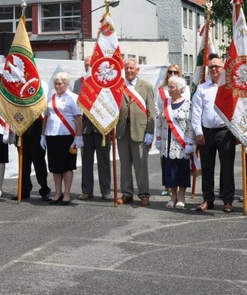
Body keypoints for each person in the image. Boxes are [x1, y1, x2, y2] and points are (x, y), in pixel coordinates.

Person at [191, 55, 237, 212]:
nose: (214, 69)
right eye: (211, 67)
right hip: (207, 132)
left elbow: (237, 110)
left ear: (223, 69)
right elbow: (196, 112)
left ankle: (227, 200)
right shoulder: (202, 88)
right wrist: (198, 132)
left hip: (225, 131)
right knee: (207, 166)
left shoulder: (229, 87)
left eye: (217, 66)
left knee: (227, 167)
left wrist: (237, 131)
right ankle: (208, 199)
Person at [116, 58, 156, 206]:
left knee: (141, 165)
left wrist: (150, 132)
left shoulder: (146, 87)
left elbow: (151, 111)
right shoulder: (118, 86)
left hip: (140, 129)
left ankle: (144, 194)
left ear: (137, 70)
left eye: (131, 68)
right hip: (122, 130)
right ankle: (126, 193)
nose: (128, 71)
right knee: (125, 164)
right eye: (126, 68)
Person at [41, 72, 83, 205]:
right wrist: (42, 135)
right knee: (55, 167)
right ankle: (57, 192)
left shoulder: (73, 97)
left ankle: (67, 193)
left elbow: (78, 118)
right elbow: (46, 117)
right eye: (55, 84)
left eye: (60, 84)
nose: (57, 86)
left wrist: (78, 136)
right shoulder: (51, 98)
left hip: (67, 136)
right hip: (52, 135)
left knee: (67, 166)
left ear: (66, 84)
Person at [74, 55, 111, 201]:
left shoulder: (104, 83)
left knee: (104, 161)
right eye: (86, 65)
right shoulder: (79, 83)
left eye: (91, 65)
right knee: (86, 161)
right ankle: (86, 190)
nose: (88, 67)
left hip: (102, 128)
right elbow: (76, 104)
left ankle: (106, 190)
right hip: (86, 128)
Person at [156, 76, 195, 209]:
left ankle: (182, 195)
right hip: (167, 144)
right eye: (169, 87)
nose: (169, 90)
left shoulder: (188, 104)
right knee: (169, 170)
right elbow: (159, 121)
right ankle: (173, 195)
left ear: (179, 89)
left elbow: (190, 124)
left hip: (181, 144)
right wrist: (159, 139)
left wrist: (190, 142)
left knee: (181, 170)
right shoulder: (165, 103)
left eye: (172, 87)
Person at [16, 115, 51, 201]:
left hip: (37, 126)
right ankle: (24, 190)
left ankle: (44, 190)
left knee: (39, 162)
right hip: (21, 125)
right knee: (23, 163)